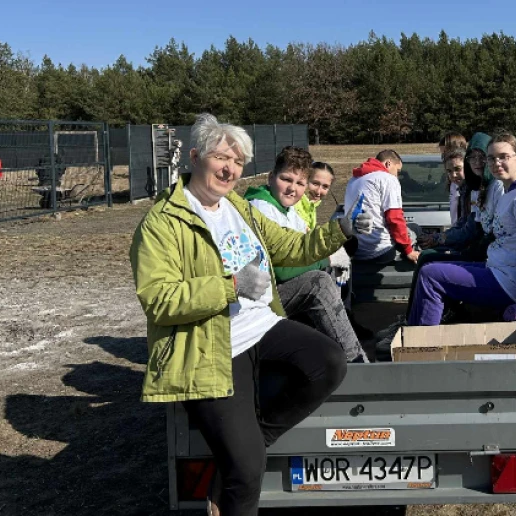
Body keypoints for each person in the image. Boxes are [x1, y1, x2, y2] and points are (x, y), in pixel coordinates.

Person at [129, 113, 372, 516]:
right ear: (195, 156)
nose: (230, 169)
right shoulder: (162, 222)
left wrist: (340, 229)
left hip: (263, 326)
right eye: (222, 157)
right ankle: (240, 461)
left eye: (238, 162)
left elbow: (290, 248)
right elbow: (159, 298)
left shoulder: (239, 207)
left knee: (328, 362)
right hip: (213, 347)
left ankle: (246, 447)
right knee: (247, 471)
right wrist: (231, 286)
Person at [407, 133, 516, 326]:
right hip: (496, 270)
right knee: (428, 268)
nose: (496, 163)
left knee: (431, 276)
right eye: (492, 158)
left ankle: (420, 347)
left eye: (504, 156)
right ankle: (411, 331)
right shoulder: (509, 192)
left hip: (507, 283)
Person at [243, 147, 365, 363]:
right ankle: (356, 361)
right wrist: (326, 260)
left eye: (299, 183)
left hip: (277, 291)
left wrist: (341, 240)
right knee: (318, 283)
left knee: (330, 273)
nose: (292, 189)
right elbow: (280, 270)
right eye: (286, 179)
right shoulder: (261, 209)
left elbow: (307, 245)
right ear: (271, 177)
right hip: (261, 297)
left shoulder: (288, 210)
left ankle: (335, 348)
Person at [344, 149, 420, 264]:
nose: (397, 175)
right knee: (415, 229)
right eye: (398, 171)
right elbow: (394, 218)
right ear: (388, 164)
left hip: (355, 250)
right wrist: (408, 251)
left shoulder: (353, 180)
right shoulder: (387, 179)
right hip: (379, 250)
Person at [294, 161, 335, 230]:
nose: (318, 191)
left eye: (325, 186)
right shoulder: (292, 205)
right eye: (315, 183)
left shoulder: (311, 206)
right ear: (305, 180)